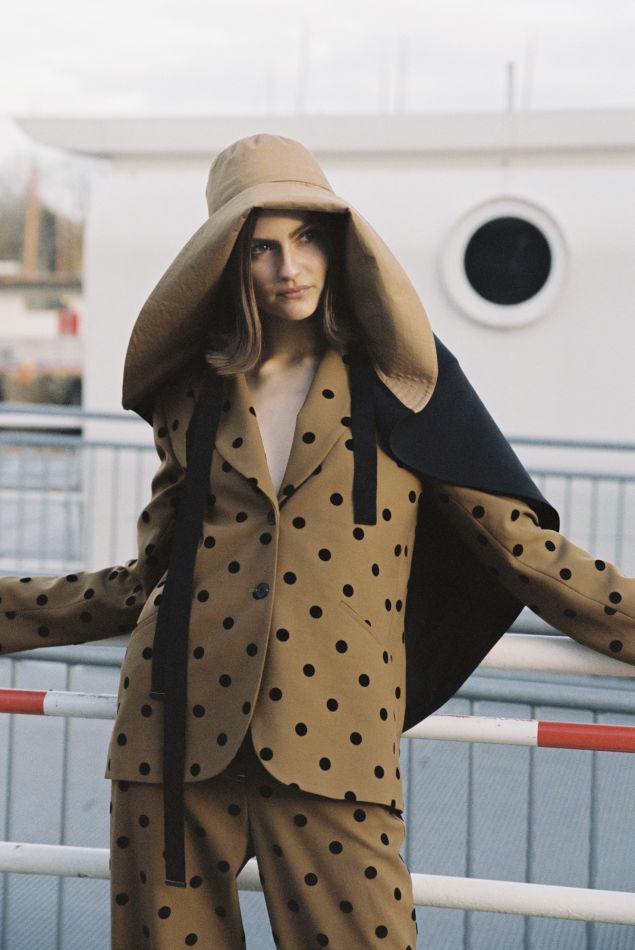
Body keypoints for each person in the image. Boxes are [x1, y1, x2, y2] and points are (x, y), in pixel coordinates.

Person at [1, 133, 633, 950]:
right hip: (170, 739)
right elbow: (149, 578)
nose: (287, 267)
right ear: (227, 261)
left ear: (338, 246)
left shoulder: (405, 380)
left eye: (306, 237)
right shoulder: (193, 393)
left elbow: (522, 551)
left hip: (337, 743)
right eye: (259, 246)